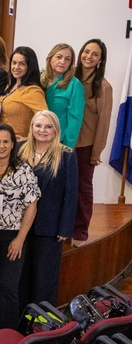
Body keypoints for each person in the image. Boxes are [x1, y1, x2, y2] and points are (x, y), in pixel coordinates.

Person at [0, 124, 39, 330]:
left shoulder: (23, 170)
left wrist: (20, 239)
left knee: (8, 287)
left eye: (6, 141)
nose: (1, 146)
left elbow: (31, 206)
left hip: (13, 237)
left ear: (13, 144)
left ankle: (7, 335)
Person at [18, 111, 77, 307]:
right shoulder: (19, 150)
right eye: (38, 126)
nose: (42, 130)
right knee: (21, 277)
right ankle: (21, 323)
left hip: (49, 228)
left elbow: (71, 194)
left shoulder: (66, 155)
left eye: (48, 126)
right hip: (19, 226)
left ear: (55, 130)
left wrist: (65, 228)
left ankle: (42, 326)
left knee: (44, 279)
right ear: (31, 128)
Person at [73, 39, 113, 245]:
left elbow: (104, 122)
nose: (89, 56)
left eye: (94, 54)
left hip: (85, 146)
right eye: (86, 51)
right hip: (64, 143)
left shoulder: (104, 87)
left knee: (82, 188)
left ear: (100, 60)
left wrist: (96, 151)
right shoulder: (69, 77)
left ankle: (80, 231)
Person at [0, 47, 47, 141]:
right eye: (14, 63)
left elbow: (45, 119)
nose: (16, 67)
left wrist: (28, 138)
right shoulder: (9, 86)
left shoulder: (33, 91)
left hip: (19, 144)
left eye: (22, 64)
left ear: (30, 67)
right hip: (3, 139)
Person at [41, 43, 85, 148]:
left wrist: (67, 147)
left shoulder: (75, 84)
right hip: (36, 138)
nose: (62, 62)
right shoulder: (39, 78)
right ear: (50, 58)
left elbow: (75, 120)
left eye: (67, 59)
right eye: (59, 57)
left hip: (58, 142)